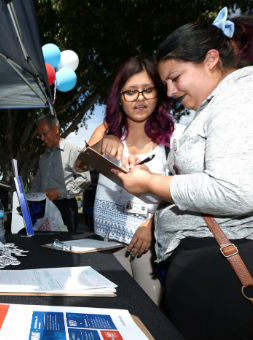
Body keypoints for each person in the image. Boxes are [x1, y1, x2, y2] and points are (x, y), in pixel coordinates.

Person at [115, 9, 253, 339]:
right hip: (222, 265)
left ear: (211, 59)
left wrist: (151, 182)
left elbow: (237, 190)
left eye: (175, 77)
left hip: (237, 268)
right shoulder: (225, 102)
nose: (170, 90)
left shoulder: (248, 97)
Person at [77, 55, 180, 306]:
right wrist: (103, 143)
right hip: (107, 241)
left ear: (159, 93)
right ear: (120, 99)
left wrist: (151, 226)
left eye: (147, 90)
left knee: (149, 314)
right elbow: (79, 164)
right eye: (131, 92)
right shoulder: (106, 130)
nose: (140, 98)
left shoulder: (174, 138)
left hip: (148, 245)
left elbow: (182, 192)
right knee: (113, 313)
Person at [31, 114, 90, 232]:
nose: (42, 138)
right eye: (40, 135)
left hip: (66, 209)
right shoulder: (43, 157)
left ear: (56, 129)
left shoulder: (73, 151)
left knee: (65, 246)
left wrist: (60, 192)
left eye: (45, 134)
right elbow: (37, 183)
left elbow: (85, 178)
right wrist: (29, 200)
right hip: (44, 209)